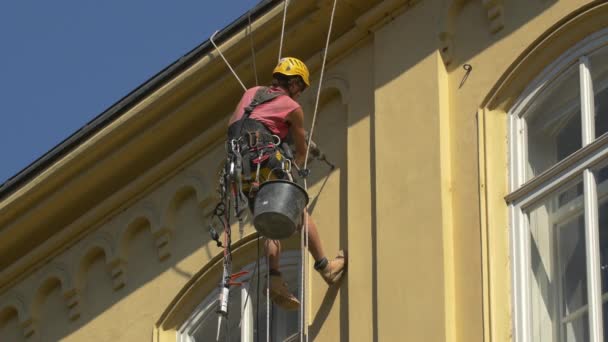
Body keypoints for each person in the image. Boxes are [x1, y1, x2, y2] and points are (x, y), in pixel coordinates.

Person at [226, 57, 346, 310]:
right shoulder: (292, 107)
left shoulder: (251, 92)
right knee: (298, 211)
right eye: (300, 88)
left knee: (270, 217)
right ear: (293, 83)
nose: (300, 95)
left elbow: (236, 125)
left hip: (241, 169)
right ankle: (327, 267)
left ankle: (275, 279)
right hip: (265, 159)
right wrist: (297, 166)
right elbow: (301, 150)